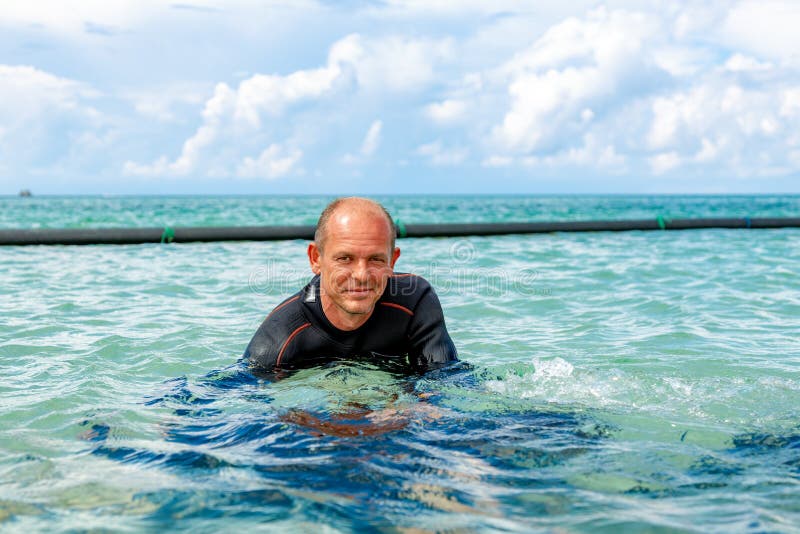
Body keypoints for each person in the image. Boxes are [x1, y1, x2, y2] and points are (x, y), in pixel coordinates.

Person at [244, 197, 458, 373]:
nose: (361, 275)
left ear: (392, 261)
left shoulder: (415, 300)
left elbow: (445, 381)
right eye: (345, 258)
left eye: (376, 259)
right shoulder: (277, 341)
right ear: (315, 258)